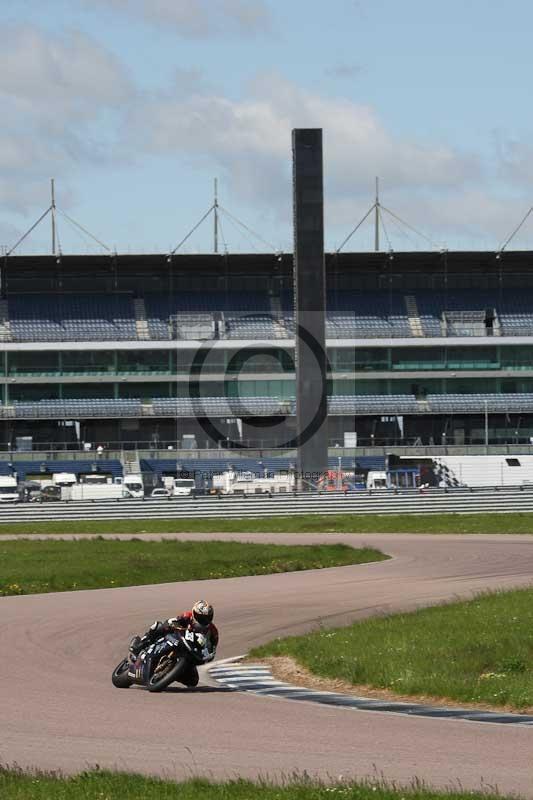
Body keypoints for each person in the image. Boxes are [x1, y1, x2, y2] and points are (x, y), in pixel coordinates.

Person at [129, 600, 218, 687]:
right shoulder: (187, 616)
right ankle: (141, 644)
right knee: (158, 626)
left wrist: (207, 655)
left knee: (193, 681)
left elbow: (212, 649)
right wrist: (172, 624)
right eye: (200, 617)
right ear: (194, 613)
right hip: (176, 639)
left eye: (207, 618)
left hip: (191, 653)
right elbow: (173, 621)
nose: (204, 620)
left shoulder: (212, 631)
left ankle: (172, 673)